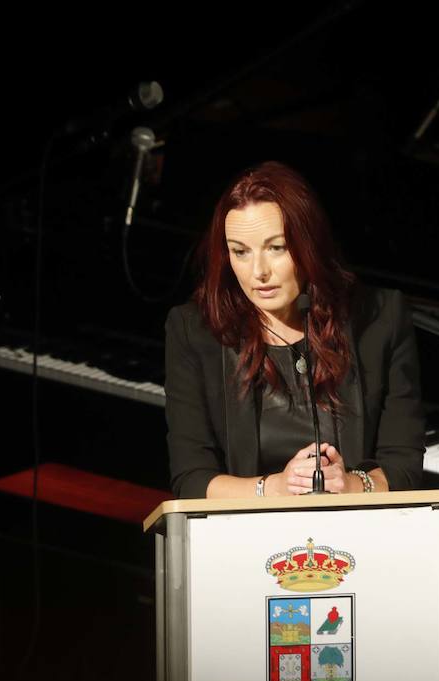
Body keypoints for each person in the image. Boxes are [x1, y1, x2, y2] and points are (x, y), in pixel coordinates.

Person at [165, 161, 424, 499]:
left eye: (276, 248)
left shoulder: (379, 318)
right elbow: (191, 480)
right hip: (246, 536)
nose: (258, 272)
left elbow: (403, 467)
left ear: (308, 245)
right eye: (240, 252)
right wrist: (272, 487)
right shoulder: (194, 330)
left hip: (357, 531)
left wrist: (351, 485)